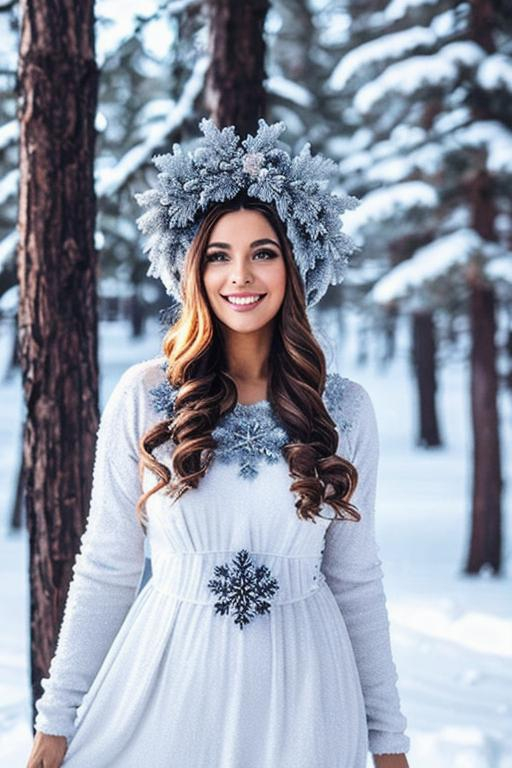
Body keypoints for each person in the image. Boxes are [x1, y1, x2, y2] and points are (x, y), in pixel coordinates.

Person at [27, 119, 411, 768]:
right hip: (168, 680)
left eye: (263, 252)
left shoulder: (343, 410)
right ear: (191, 267)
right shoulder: (145, 396)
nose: (241, 275)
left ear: (296, 263)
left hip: (307, 692)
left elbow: (356, 580)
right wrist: (55, 721)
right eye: (218, 254)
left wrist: (389, 742)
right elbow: (106, 566)